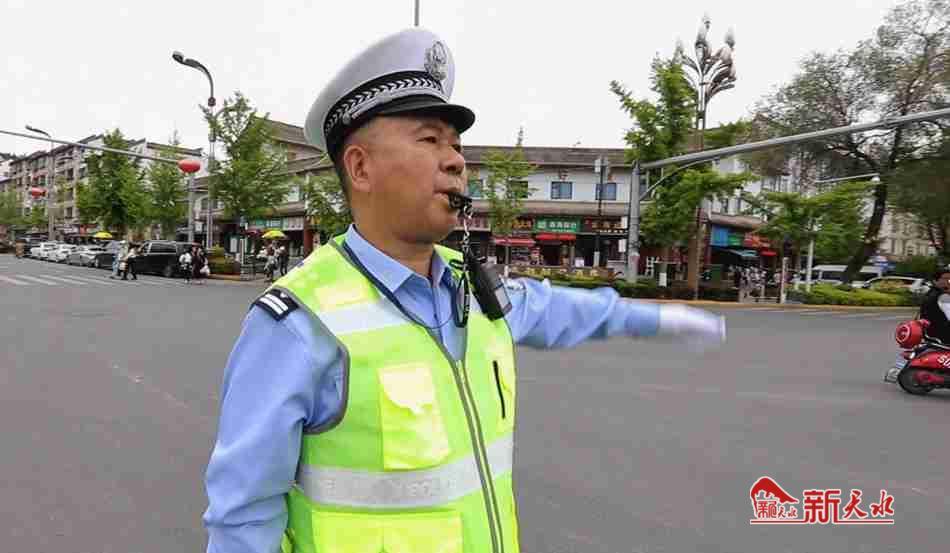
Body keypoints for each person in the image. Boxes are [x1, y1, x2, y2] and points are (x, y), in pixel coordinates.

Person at [202, 28, 726, 553]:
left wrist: (654, 318)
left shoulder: (471, 285)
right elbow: (242, 519)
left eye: (456, 145)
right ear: (361, 167)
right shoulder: (297, 322)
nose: (455, 160)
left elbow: (552, 310)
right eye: (429, 140)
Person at [918, 268, 950, 344]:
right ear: (935, 281)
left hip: (930, 336)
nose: (948, 281)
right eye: (945, 278)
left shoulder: (930, 293)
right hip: (943, 338)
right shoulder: (943, 296)